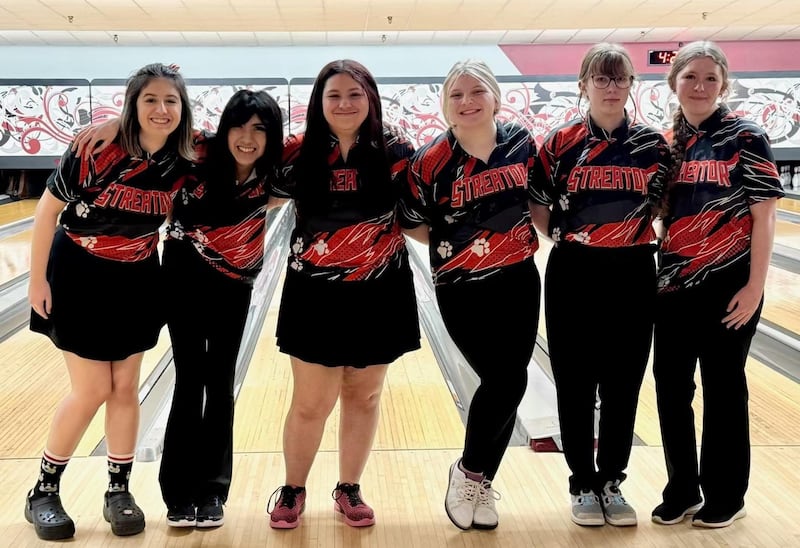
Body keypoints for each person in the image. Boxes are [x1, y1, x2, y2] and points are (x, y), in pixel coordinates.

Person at [71, 89, 285, 529]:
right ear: (224, 128)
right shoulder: (196, 152)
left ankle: (213, 491)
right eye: (239, 126)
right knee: (190, 380)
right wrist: (115, 122)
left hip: (236, 286)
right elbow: (153, 127)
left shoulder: (276, 170)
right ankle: (179, 491)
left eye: (260, 129)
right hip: (184, 277)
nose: (248, 138)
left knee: (221, 382)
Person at [24, 63, 194, 541]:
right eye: (150, 100)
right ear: (132, 105)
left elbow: (248, 147)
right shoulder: (97, 148)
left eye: (171, 101)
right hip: (79, 272)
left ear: (183, 109)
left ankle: (118, 491)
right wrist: (37, 281)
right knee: (93, 387)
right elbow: (46, 210)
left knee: (125, 388)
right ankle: (43, 490)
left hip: (138, 277)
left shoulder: (185, 159)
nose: (162, 110)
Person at [265, 59, 420, 529]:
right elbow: (243, 175)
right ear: (319, 102)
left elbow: (418, 214)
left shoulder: (395, 150)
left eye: (354, 93)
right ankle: (293, 489)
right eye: (334, 95)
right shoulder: (297, 153)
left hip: (381, 290)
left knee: (365, 397)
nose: (344, 103)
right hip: (315, 292)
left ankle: (349, 488)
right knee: (311, 401)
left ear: (370, 97)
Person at [528, 42, 669, 527]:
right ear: (583, 84)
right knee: (575, 382)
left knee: (624, 383)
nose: (611, 88)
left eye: (620, 79)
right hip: (575, 271)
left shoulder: (654, 147)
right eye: (601, 79)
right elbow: (539, 206)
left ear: (633, 85)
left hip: (632, 270)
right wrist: (571, 239)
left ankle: (612, 478)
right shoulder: (560, 142)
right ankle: (581, 483)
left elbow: (662, 207)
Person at [399, 59, 541, 531]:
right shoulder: (430, 160)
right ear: (445, 104)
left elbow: (538, 201)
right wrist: (458, 248)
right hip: (460, 287)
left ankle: (477, 479)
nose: (467, 101)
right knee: (503, 380)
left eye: (476, 91)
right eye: (456, 94)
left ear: (495, 97)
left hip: (519, 279)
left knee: (511, 380)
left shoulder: (522, 143)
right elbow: (413, 221)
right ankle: (469, 472)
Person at [650, 41, 784, 529]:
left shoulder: (747, 137)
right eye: (691, 77)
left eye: (710, 77)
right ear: (674, 83)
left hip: (731, 284)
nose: (700, 86)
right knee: (670, 388)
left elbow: (764, 217)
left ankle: (727, 493)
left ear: (723, 84)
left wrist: (754, 287)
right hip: (672, 285)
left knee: (724, 390)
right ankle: (682, 489)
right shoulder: (668, 143)